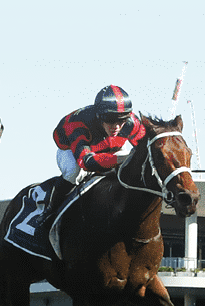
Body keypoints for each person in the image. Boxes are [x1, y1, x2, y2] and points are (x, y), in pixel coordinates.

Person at [45, 85, 146, 216]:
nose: (116, 127)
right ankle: (51, 211)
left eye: (122, 120)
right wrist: (122, 159)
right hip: (71, 149)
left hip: (110, 147)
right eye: (110, 120)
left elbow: (146, 149)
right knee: (73, 172)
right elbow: (86, 163)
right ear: (99, 116)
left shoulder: (132, 123)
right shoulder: (78, 124)